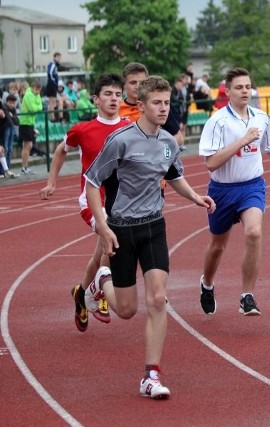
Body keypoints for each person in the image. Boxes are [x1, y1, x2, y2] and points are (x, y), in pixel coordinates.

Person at [83, 76, 215, 399]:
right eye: (156, 103)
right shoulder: (120, 141)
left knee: (157, 298)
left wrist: (195, 197)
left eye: (167, 102)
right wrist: (102, 225)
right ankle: (102, 281)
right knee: (127, 310)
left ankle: (151, 375)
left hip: (154, 227)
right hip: (122, 229)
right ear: (141, 105)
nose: (163, 108)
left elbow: (174, 176)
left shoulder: (169, 141)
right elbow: (91, 182)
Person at [39, 73, 130, 331]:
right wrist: (51, 182)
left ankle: (81, 292)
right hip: (91, 200)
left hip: (119, 201)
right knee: (111, 238)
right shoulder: (83, 130)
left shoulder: (128, 128)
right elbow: (60, 150)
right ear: (96, 99)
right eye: (108, 94)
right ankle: (100, 291)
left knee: (102, 250)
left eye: (117, 94)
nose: (114, 99)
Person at [198, 67, 270, 317]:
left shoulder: (261, 117)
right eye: (239, 87)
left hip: (252, 185)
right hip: (222, 190)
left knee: (254, 232)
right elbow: (211, 163)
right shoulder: (218, 121)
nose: (245, 91)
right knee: (217, 246)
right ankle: (207, 284)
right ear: (227, 91)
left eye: (248, 87)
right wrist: (243, 140)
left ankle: (247, 296)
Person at [19, 81, 43, 175]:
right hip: (25, 122)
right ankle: (24, 167)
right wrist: (37, 108)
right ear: (33, 88)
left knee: (28, 145)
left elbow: (40, 107)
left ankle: (25, 167)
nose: (38, 92)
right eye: (36, 89)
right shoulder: (28, 95)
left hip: (30, 122)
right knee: (27, 145)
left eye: (39, 90)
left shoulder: (37, 95)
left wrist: (37, 107)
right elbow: (33, 109)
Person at [45, 52, 62, 121]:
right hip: (51, 85)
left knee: (53, 101)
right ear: (55, 57)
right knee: (51, 101)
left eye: (60, 58)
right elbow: (50, 73)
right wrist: (54, 82)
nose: (59, 59)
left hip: (53, 85)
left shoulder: (55, 65)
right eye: (58, 57)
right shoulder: (52, 64)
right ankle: (52, 118)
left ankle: (54, 117)